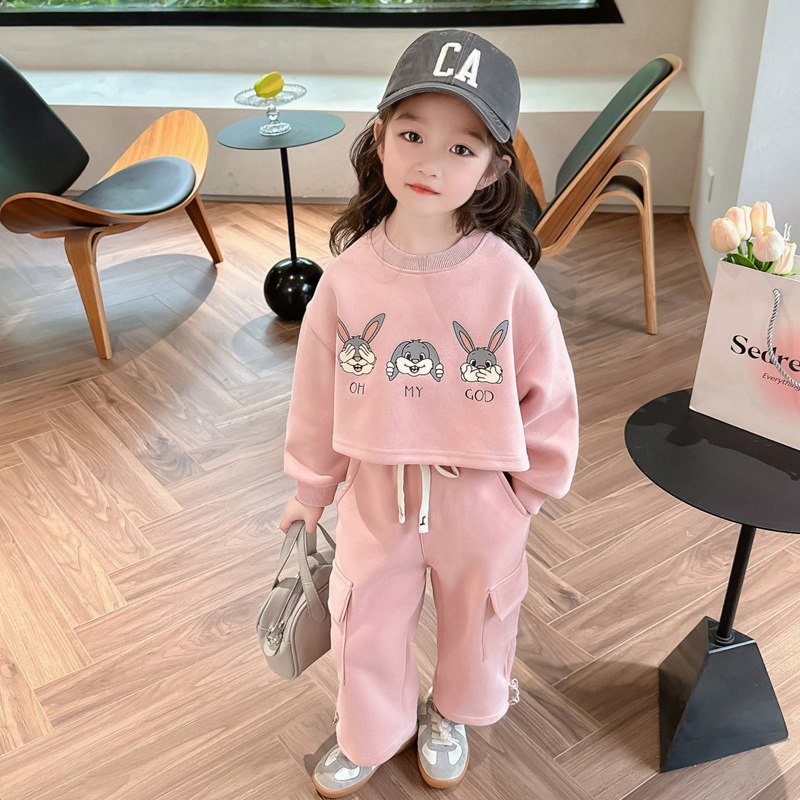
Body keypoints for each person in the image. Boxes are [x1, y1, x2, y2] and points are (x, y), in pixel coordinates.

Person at [279, 29, 579, 797]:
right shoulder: (347, 279)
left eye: (462, 148)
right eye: (412, 135)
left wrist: (525, 495)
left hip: (480, 495)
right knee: (364, 620)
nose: (430, 162)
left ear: (493, 169)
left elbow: (550, 393)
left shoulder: (509, 280)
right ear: (380, 137)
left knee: (479, 620)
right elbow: (316, 392)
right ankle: (370, 731)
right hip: (376, 493)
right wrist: (312, 489)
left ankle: (451, 713)